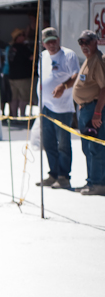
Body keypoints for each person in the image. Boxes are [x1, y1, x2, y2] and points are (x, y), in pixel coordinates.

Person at [35, 27, 79, 189]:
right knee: (48, 142)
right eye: (48, 42)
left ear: (58, 39)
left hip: (62, 108)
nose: (52, 44)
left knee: (63, 144)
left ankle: (64, 176)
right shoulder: (43, 56)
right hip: (45, 106)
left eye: (54, 40)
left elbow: (76, 75)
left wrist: (63, 86)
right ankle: (53, 173)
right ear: (43, 44)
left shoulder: (68, 55)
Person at [72, 30, 105, 195]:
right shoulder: (89, 59)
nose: (84, 45)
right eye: (81, 42)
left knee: (95, 147)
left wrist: (97, 112)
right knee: (87, 147)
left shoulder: (97, 60)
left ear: (95, 42)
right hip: (86, 108)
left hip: (93, 109)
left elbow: (104, 88)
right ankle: (91, 181)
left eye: (87, 41)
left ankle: (99, 184)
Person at [7, 29, 34, 118]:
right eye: (22, 34)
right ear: (18, 38)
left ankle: (14, 116)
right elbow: (32, 57)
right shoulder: (22, 47)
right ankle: (22, 115)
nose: (24, 36)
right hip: (23, 76)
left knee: (14, 98)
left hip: (12, 76)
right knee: (24, 97)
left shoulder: (11, 48)